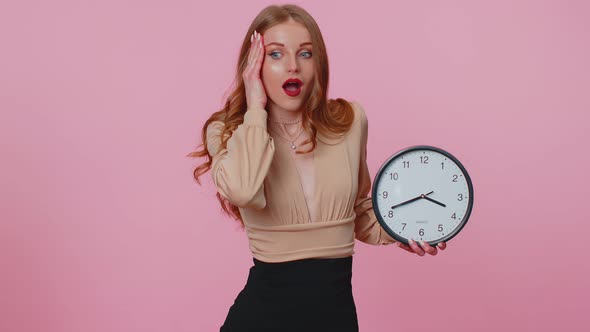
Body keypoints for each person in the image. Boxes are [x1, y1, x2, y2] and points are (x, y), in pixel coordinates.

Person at [188, 4, 447, 331]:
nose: (293, 66)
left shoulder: (349, 121)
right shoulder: (227, 130)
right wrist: (255, 109)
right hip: (260, 319)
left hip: (335, 319)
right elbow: (242, 189)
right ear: (254, 65)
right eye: (276, 54)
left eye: (305, 53)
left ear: (318, 62)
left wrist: (407, 228)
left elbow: (356, 213)